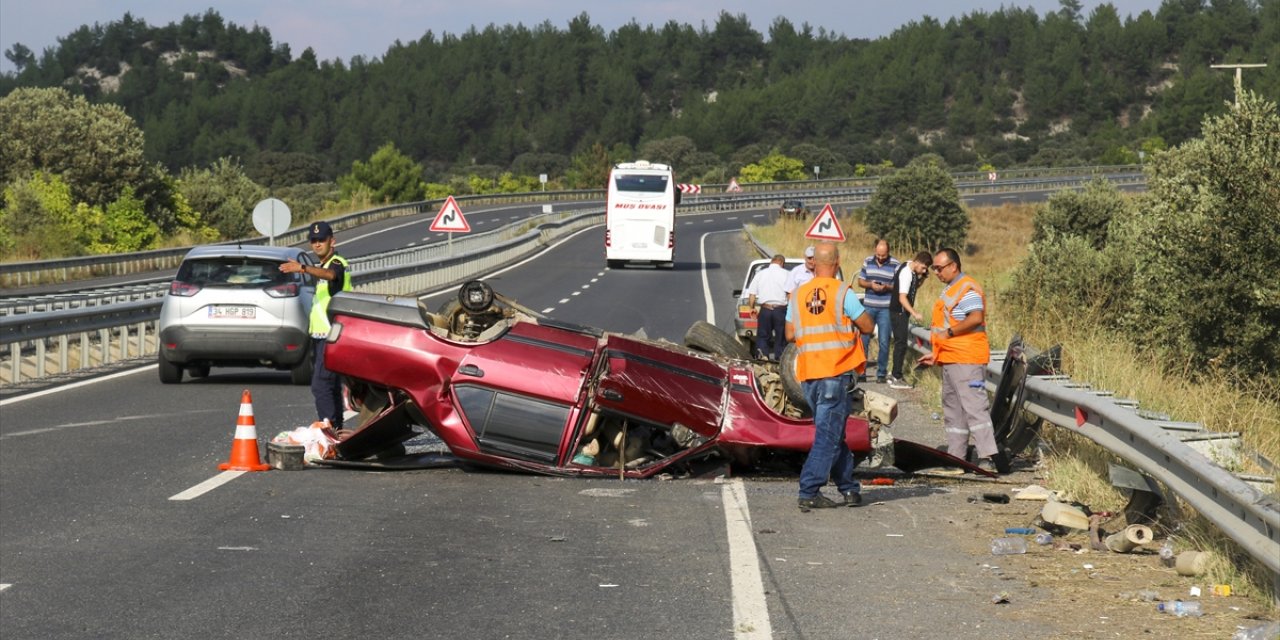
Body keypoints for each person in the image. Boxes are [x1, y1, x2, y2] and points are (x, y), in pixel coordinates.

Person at [786, 242, 876, 510]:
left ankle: (849, 488)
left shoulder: (798, 294)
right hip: (834, 374)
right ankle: (809, 489)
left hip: (808, 376)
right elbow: (868, 325)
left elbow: (790, 334)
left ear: (813, 264)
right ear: (836, 263)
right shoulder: (842, 293)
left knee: (833, 435)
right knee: (827, 436)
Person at [916, 248, 998, 474]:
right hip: (951, 358)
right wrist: (936, 353)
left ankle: (987, 458)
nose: (936, 272)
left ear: (954, 266)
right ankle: (956, 459)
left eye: (939, 268)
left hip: (967, 359)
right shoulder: (950, 289)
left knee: (975, 408)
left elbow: (975, 317)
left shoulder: (967, 288)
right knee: (954, 411)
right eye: (933, 268)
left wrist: (949, 334)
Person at [280, 221, 352, 433]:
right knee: (330, 386)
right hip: (322, 335)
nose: (318, 244)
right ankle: (336, 430)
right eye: (314, 240)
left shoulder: (336, 262)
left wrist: (302, 268)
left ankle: (329, 431)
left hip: (332, 335)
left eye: (322, 240)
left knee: (320, 385)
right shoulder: (322, 266)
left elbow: (332, 276)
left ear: (332, 241)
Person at [887, 251, 933, 390]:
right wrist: (914, 313)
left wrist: (922, 278)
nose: (924, 270)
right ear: (918, 262)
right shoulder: (906, 273)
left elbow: (912, 287)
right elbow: (902, 297)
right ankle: (897, 377)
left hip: (898, 312)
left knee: (900, 343)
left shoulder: (909, 267)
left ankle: (893, 373)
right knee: (901, 344)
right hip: (900, 312)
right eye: (924, 267)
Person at [856, 239, 899, 383]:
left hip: (885, 308)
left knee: (884, 341)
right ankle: (861, 371)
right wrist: (870, 285)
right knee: (864, 340)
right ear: (875, 250)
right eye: (878, 254)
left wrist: (887, 287)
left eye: (883, 255)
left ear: (888, 252)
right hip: (869, 306)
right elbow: (860, 281)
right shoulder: (868, 261)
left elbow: (898, 286)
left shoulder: (895, 264)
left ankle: (881, 373)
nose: (880, 258)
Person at [745, 254, 790, 361]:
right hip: (781, 310)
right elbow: (790, 294)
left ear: (771, 262)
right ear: (782, 263)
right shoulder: (787, 274)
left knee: (763, 336)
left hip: (765, 310)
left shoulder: (760, 274)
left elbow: (752, 294)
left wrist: (752, 308)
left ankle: (762, 358)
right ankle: (780, 359)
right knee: (781, 337)